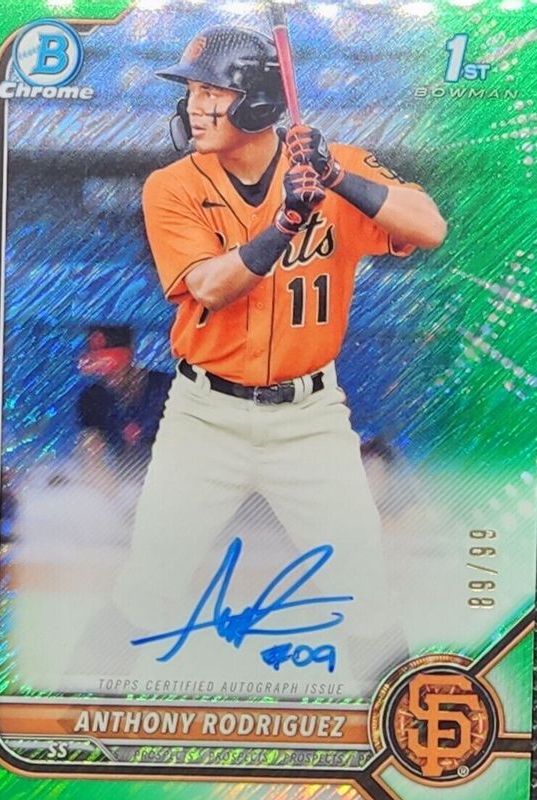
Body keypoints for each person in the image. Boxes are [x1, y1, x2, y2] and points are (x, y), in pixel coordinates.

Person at [112, 26, 447, 694]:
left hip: (308, 419)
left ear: (261, 102)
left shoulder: (333, 165)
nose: (195, 107)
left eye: (213, 92)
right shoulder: (171, 186)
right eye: (192, 92)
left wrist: (336, 178)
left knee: (362, 585)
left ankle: (402, 725)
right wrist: (285, 223)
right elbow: (209, 287)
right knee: (150, 584)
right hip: (204, 415)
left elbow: (429, 226)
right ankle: (74, 723)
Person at [76, 325, 173, 491]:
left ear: (131, 355)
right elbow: (91, 450)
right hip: (127, 484)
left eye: (114, 364)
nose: (108, 374)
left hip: (173, 481)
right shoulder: (92, 399)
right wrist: (110, 494)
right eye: (100, 366)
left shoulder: (167, 389)